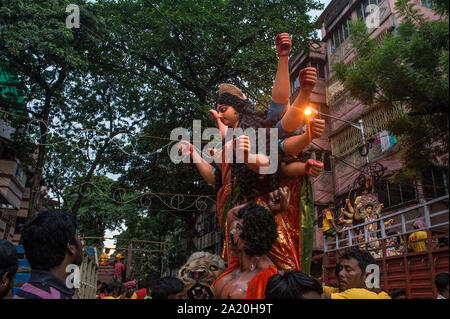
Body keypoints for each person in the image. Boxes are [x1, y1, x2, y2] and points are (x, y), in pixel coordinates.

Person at [13, 209, 83, 299]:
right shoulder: (53, 296)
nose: (81, 244)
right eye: (77, 236)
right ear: (70, 246)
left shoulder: (25, 290)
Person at [213, 202, 279, 299]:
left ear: (252, 234)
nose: (231, 232)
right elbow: (231, 213)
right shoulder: (238, 263)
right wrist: (267, 207)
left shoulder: (265, 277)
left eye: (238, 228)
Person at [322, 248, 389, 299]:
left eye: (348, 270)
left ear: (367, 276)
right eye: (340, 269)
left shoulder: (360, 296)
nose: (340, 273)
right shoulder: (344, 290)